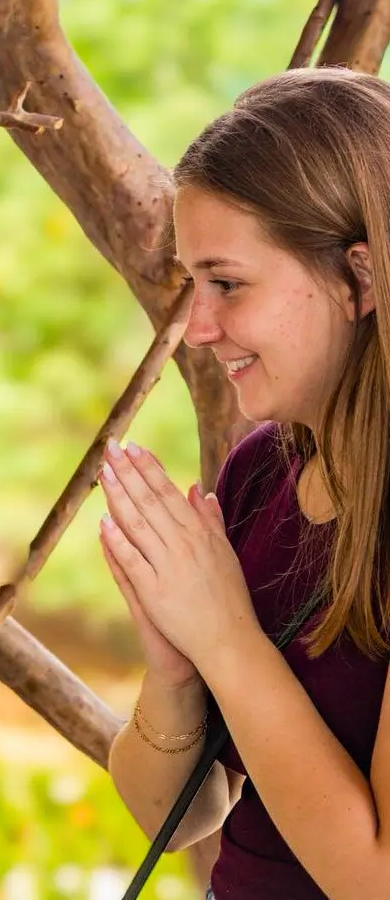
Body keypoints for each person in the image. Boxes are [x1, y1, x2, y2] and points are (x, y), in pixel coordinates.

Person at [100, 66, 390, 899]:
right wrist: (177, 666)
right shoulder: (262, 472)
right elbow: (175, 818)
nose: (197, 327)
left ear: (360, 280)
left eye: (227, 283)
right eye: (193, 282)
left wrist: (226, 637)